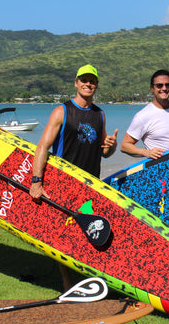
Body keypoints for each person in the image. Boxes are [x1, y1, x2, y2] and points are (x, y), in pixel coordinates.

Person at [29, 64, 118, 289]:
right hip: (64, 183)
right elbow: (42, 147)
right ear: (76, 83)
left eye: (92, 81)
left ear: (96, 85)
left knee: (88, 230)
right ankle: (67, 281)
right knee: (63, 234)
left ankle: (88, 275)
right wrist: (36, 181)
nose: (88, 84)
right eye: (84, 80)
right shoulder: (63, 111)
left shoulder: (100, 114)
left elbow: (104, 153)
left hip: (90, 184)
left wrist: (112, 145)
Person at [120, 69, 169, 159]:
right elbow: (125, 146)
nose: (164, 88)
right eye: (159, 85)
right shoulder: (143, 116)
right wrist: (146, 152)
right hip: (161, 167)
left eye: (168, 85)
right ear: (152, 88)